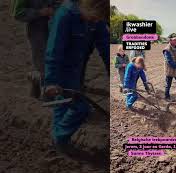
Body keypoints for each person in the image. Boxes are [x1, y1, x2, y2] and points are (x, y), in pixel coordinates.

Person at [44, 0, 108, 153]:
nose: (96, 21)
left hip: (78, 65)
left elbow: (105, 47)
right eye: (94, 17)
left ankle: (60, 141)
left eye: (100, 19)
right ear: (87, 7)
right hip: (62, 67)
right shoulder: (65, 15)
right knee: (79, 107)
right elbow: (54, 50)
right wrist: (51, 81)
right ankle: (59, 138)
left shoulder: (96, 18)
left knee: (64, 105)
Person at [11, 0, 59, 98]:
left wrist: (56, 8)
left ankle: (36, 77)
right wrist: (40, 12)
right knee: (43, 63)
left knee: (57, 60)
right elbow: (17, 13)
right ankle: (47, 94)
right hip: (37, 30)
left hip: (57, 26)